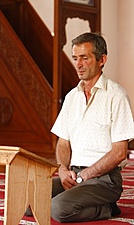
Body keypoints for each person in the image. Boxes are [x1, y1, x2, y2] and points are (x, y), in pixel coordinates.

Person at [50, 32, 134, 222]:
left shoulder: (117, 96)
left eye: (85, 58)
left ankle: (107, 208)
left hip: (105, 179)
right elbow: (63, 142)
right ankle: (86, 202)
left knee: (59, 208)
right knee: (29, 198)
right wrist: (63, 169)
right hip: (75, 175)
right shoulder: (72, 97)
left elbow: (120, 152)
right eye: (75, 58)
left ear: (101, 60)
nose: (78, 64)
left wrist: (86, 175)